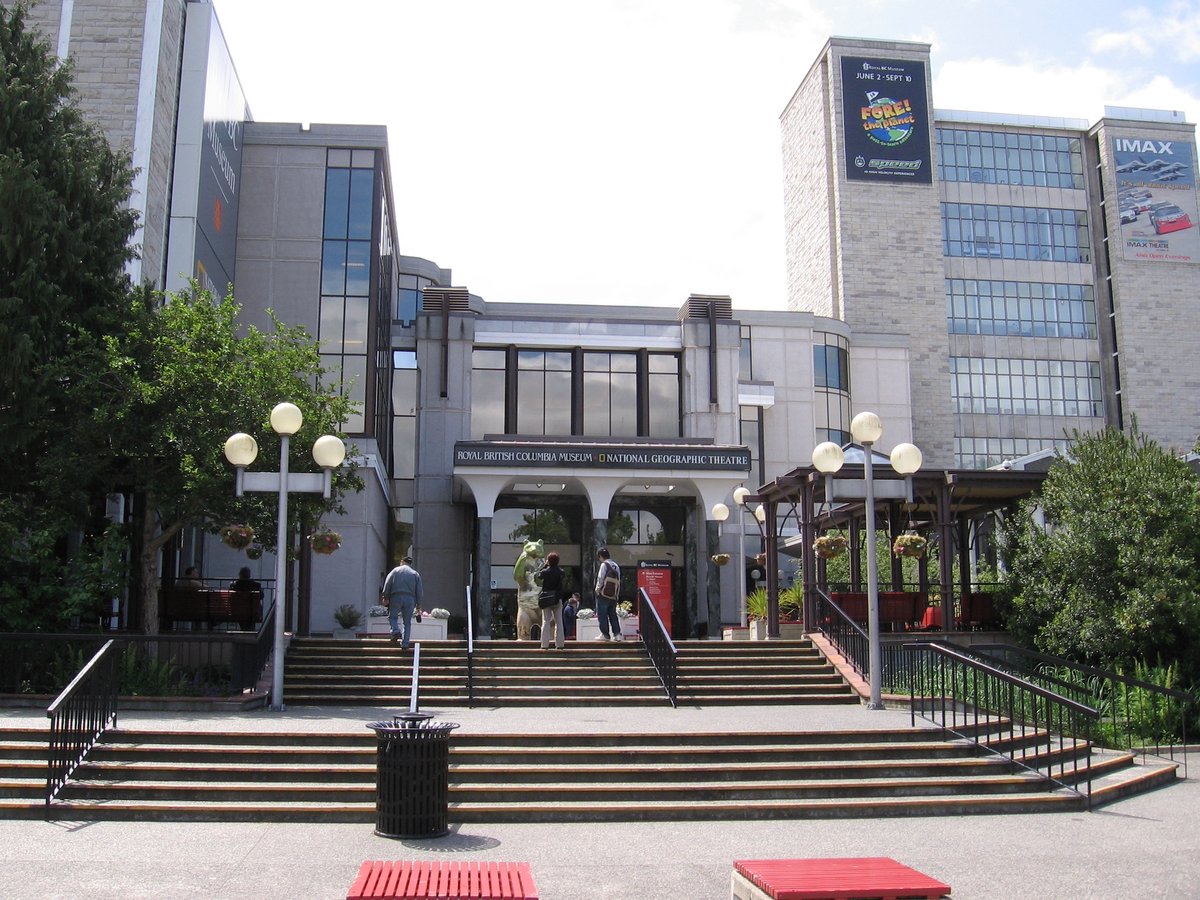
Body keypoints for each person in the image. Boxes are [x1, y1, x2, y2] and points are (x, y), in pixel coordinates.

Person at [381, 556, 423, 649]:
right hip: (410, 599)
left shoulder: (395, 571)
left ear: (402, 562)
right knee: (407, 622)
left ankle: (395, 631)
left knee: (392, 617)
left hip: (396, 596)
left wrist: (385, 596)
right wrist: (418, 605)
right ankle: (405, 643)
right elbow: (419, 591)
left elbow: (388, 583)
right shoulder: (415, 574)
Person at [534, 552, 566, 650]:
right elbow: (562, 576)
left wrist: (544, 565)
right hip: (557, 598)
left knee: (545, 621)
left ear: (548, 561)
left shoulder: (545, 572)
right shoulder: (561, 572)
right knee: (559, 622)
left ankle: (544, 644)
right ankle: (560, 644)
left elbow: (537, 575)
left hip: (546, 599)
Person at [593, 547, 623, 641]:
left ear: (600, 556)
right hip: (613, 595)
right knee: (613, 615)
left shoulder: (604, 565)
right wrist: (616, 595)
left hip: (603, 594)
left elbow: (600, 578)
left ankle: (605, 635)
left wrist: (597, 590)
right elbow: (618, 581)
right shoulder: (616, 565)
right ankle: (617, 634)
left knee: (602, 615)